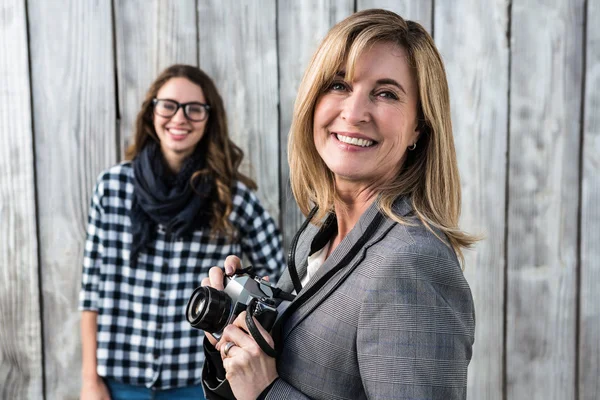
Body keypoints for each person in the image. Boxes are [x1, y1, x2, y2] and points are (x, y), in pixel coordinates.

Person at [200, 9, 477, 400]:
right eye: (339, 85)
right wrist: (232, 346)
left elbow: (267, 390)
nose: (354, 112)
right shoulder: (321, 231)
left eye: (386, 94)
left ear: (419, 126)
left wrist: (268, 393)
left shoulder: (412, 264)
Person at [79, 64, 284, 400]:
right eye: (169, 105)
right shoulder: (112, 188)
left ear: (209, 118)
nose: (180, 117)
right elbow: (91, 290)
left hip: (197, 381)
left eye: (194, 109)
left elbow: (277, 281)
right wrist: (90, 380)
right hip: (118, 379)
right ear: (151, 112)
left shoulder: (232, 198)